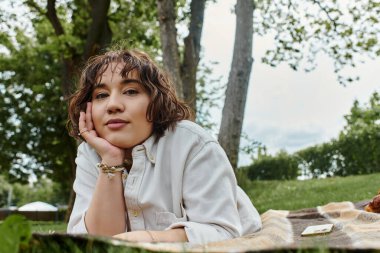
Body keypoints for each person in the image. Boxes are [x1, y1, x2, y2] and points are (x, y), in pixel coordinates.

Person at [66, 48, 262, 244]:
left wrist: (147, 240)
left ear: (155, 101)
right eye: (101, 95)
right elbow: (99, 242)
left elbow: (222, 232)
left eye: (131, 91)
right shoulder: (90, 153)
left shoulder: (193, 144)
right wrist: (110, 161)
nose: (113, 105)